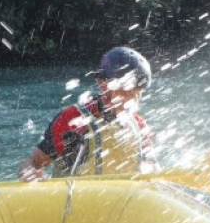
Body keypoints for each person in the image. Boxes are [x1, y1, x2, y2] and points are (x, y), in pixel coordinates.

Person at [18, 46, 157, 181]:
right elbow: (33, 162)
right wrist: (28, 172)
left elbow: (152, 170)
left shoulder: (139, 126)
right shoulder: (72, 120)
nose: (134, 99)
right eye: (128, 92)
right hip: (77, 203)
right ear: (103, 85)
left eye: (139, 93)